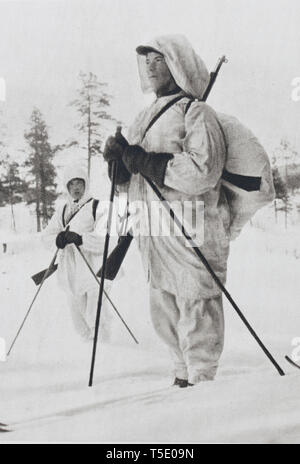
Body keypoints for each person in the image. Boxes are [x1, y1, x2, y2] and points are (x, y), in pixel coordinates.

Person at [103, 34, 231, 387]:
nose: (150, 64)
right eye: (146, 59)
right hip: (154, 229)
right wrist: (118, 164)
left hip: (191, 227)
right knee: (163, 304)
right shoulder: (142, 117)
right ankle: (180, 374)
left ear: (178, 64)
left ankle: (203, 380)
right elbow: (130, 182)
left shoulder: (196, 112)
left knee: (196, 301)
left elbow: (204, 171)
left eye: (159, 58)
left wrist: (146, 161)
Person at [42, 164, 111, 341]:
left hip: (93, 267)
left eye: (79, 183)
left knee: (96, 313)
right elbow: (47, 235)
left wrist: (81, 239)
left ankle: (103, 350)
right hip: (70, 268)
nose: (75, 188)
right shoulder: (63, 210)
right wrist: (59, 239)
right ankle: (87, 350)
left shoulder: (97, 206)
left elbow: (107, 239)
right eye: (71, 184)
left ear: (85, 184)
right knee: (77, 316)